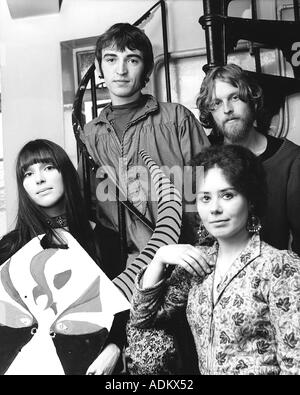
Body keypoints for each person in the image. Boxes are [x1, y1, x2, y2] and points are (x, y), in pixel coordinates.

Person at [130, 144, 300, 375]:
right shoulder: (198, 262)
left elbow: (295, 363)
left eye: (227, 195)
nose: (215, 209)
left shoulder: (280, 267)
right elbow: (142, 317)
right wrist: (159, 258)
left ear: (250, 200)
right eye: (205, 198)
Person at [80, 22, 209, 276]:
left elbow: (208, 187)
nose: (121, 70)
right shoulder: (90, 134)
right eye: (111, 59)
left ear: (147, 68)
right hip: (128, 268)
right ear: (99, 68)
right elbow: (89, 205)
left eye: (132, 60)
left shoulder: (176, 119)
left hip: (186, 261)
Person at [0, 139, 126, 375]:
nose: (39, 179)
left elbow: (122, 310)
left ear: (65, 173)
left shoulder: (106, 241)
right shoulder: (9, 247)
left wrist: (114, 347)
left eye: (48, 167)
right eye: (28, 173)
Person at [196, 63, 300, 256]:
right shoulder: (198, 159)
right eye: (216, 103)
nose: (227, 109)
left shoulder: (291, 159)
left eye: (235, 97)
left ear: (252, 100)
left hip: (272, 276)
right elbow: (190, 229)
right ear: (209, 112)